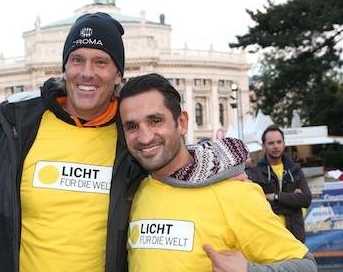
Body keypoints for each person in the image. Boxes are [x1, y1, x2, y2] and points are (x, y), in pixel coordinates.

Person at [0, 12, 145, 272]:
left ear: (118, 74)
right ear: (64, 68)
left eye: (101, 62)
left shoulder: (133, 137)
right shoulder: (18, 126)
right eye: (77, 60)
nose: (87, 73)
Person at [118, 73, 317, 272]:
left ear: (182, 123)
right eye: (132, 126)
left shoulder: (235, 194)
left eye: (155, 121)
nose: (144, 138)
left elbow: (306, 266)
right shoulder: (133, 190)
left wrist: (250, 271)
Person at [247, 125, 312, 243]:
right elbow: (256, 205)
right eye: (271, 143)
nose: (276, 146)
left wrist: (275, 197)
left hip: (294, 235)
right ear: (263, 147)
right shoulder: (255, 173)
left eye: (279, 142)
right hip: (268, 236)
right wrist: (293, 202)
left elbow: (306, 199)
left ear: (284, 144)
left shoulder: (295, 170)